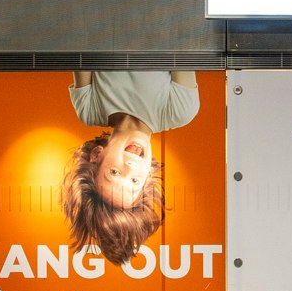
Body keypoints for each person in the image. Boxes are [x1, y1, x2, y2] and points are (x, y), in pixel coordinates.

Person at [60, 71, 199, 265]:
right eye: (134, 181)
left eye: (115, 173)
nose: (131, 166)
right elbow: (185, 44)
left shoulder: (89, 109)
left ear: (97, 155)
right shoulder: (178, 110)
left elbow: (80, 44)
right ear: (148, 174)